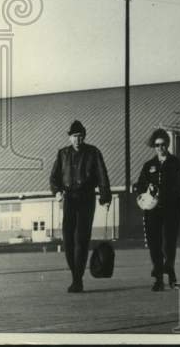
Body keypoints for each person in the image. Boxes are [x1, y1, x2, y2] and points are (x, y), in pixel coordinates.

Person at [49, 120, 111, 293]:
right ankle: (75, 275)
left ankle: (77, 280)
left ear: (84, 136)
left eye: (80, 136)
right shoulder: (62, 154)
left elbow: (102, 175)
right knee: (68, 240)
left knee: (81, 240)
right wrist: (57, 192)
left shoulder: (93, 152)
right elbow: (54, 178)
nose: (77, 139)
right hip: (69, 198)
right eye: (74, 136)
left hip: (86, 198)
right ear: (69, 138)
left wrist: (105, 197)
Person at [134, 128, 180, 291]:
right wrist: (145, 192)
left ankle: (170, 270)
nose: (160, 148)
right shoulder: (148, 166)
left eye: (163, 144)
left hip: (172, 209)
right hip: (153, 211)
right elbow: (140, 186)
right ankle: (158, 278)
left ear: (168, 144)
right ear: (154, 146)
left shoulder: (177, 164)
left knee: (169, 243)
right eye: (157, 145)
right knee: (154, 244)